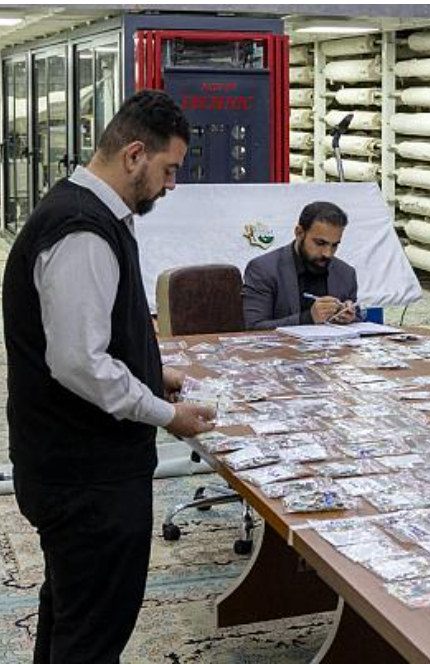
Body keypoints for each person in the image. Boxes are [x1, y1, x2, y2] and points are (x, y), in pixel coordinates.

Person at [3, 90, 216, 663]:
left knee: (71, 613)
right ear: (134, 155)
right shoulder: (82, 230)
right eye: (168, 170)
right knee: (93, 633)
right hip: (87, 479)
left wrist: (152, 372)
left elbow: (95, 334)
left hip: (71, 467)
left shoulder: (86, 213)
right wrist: (165, 414)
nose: (171, 185)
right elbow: (79, 362)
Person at [242, 201, 360, 330]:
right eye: (320, 243)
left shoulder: (346, 273)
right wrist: (308, 318)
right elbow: (253, 328)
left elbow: (358, 320)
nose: (328, 253)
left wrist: (350, 317)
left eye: (334, 245)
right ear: (299, 233)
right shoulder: (264, 269)